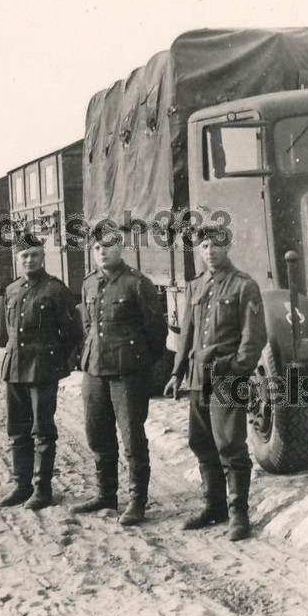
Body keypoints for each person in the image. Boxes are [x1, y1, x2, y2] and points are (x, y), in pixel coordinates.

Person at [163, 222, 267, 541]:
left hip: (227, 377)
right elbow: (187, 336)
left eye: (215, 246)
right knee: (201, 441)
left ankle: (239, 513)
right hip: (199, 377)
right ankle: (214, 506)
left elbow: (254, 338)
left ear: (227, 248)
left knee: (230, 445)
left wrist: (236, 367)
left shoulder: (243, 286)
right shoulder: (195, 286)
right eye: (204, 247)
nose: (209, 253)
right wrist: (176, 374)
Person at [73, 222, 168, 526]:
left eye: (109, 247)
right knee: (97, 433)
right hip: (95, 370)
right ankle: (105, 494)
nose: (102, 253)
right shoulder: (88, 284)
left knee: (132, 438)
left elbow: (156, 333)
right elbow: (87, 327)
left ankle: (137, 501)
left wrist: (137, 363)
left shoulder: (138, 284)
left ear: (120, 248)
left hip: (128, 373)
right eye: (97, 248)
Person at [0, 232, 82, 510]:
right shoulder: (11, 290)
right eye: (25, 255)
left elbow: (73, 334)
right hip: (15, 368)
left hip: (43, 369)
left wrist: (61, 365)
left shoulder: (56, 290)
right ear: (17, 259)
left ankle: (42, 489)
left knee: (42, 430)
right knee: (16, 430)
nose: (30, 260)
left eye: (35, 255)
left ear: (43, 257)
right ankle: (21, 486)